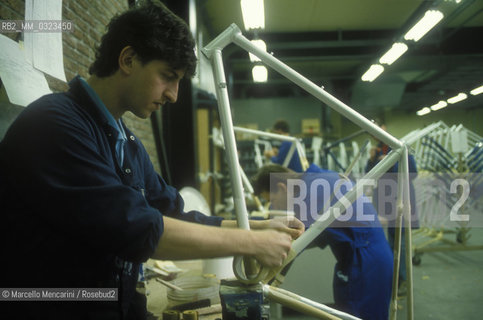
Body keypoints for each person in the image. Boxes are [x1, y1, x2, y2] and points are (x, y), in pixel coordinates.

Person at [0, 3, 305, 319]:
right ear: (128, 60)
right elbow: (135, 227)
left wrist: (256, 228)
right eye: (167, 76)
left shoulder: (125, 142)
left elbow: (172, 214)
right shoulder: (55, 124)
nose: (173, 94)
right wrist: (249, 243)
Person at [252, 163, 394, 320]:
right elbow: (317, 234)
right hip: (361, 256)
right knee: (346, 312)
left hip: (366, 262)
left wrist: (262, 277)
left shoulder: (310, 194)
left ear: (283, 187)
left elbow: (293, 244)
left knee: (359, 315)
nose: (273, 205)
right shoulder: (317, 178)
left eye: (272, 200)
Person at [365, 122, 419, 296]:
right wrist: (371, 160)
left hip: (401, 201)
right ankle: (394, 278)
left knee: (401, 243)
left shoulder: (399, 146)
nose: (376, 136)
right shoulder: (378, 149)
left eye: (378, 131)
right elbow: (370, 175)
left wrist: (391, 163)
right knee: (392, 241)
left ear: (385, 129)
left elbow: (412, 172)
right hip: (386, 203)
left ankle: (403, 281)